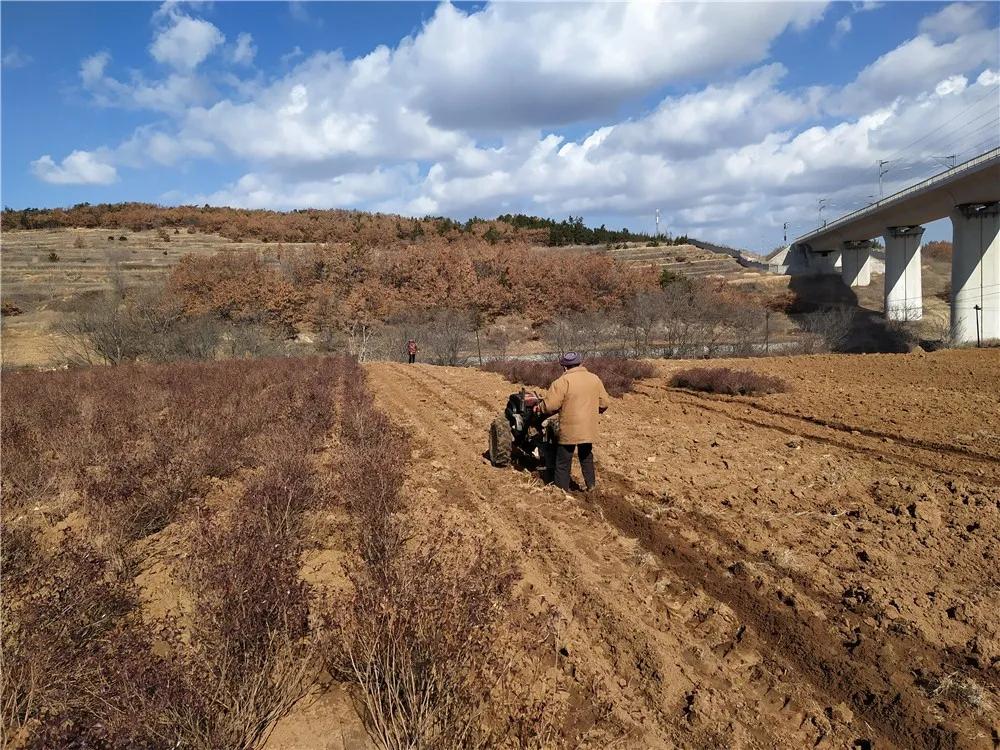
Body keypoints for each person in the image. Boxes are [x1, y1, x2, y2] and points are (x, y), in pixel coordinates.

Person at [535, 352, 610, 492]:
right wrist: (593, 411)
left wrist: (539, 407)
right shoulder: (595, 379)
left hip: (570, 428)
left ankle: (561, 491)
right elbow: (604, 403)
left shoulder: (562, 382)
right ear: (581, 364)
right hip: (588, 427)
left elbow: (550, 406)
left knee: (563, 461)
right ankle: (591, 486)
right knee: (586, 456)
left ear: (564, 367)